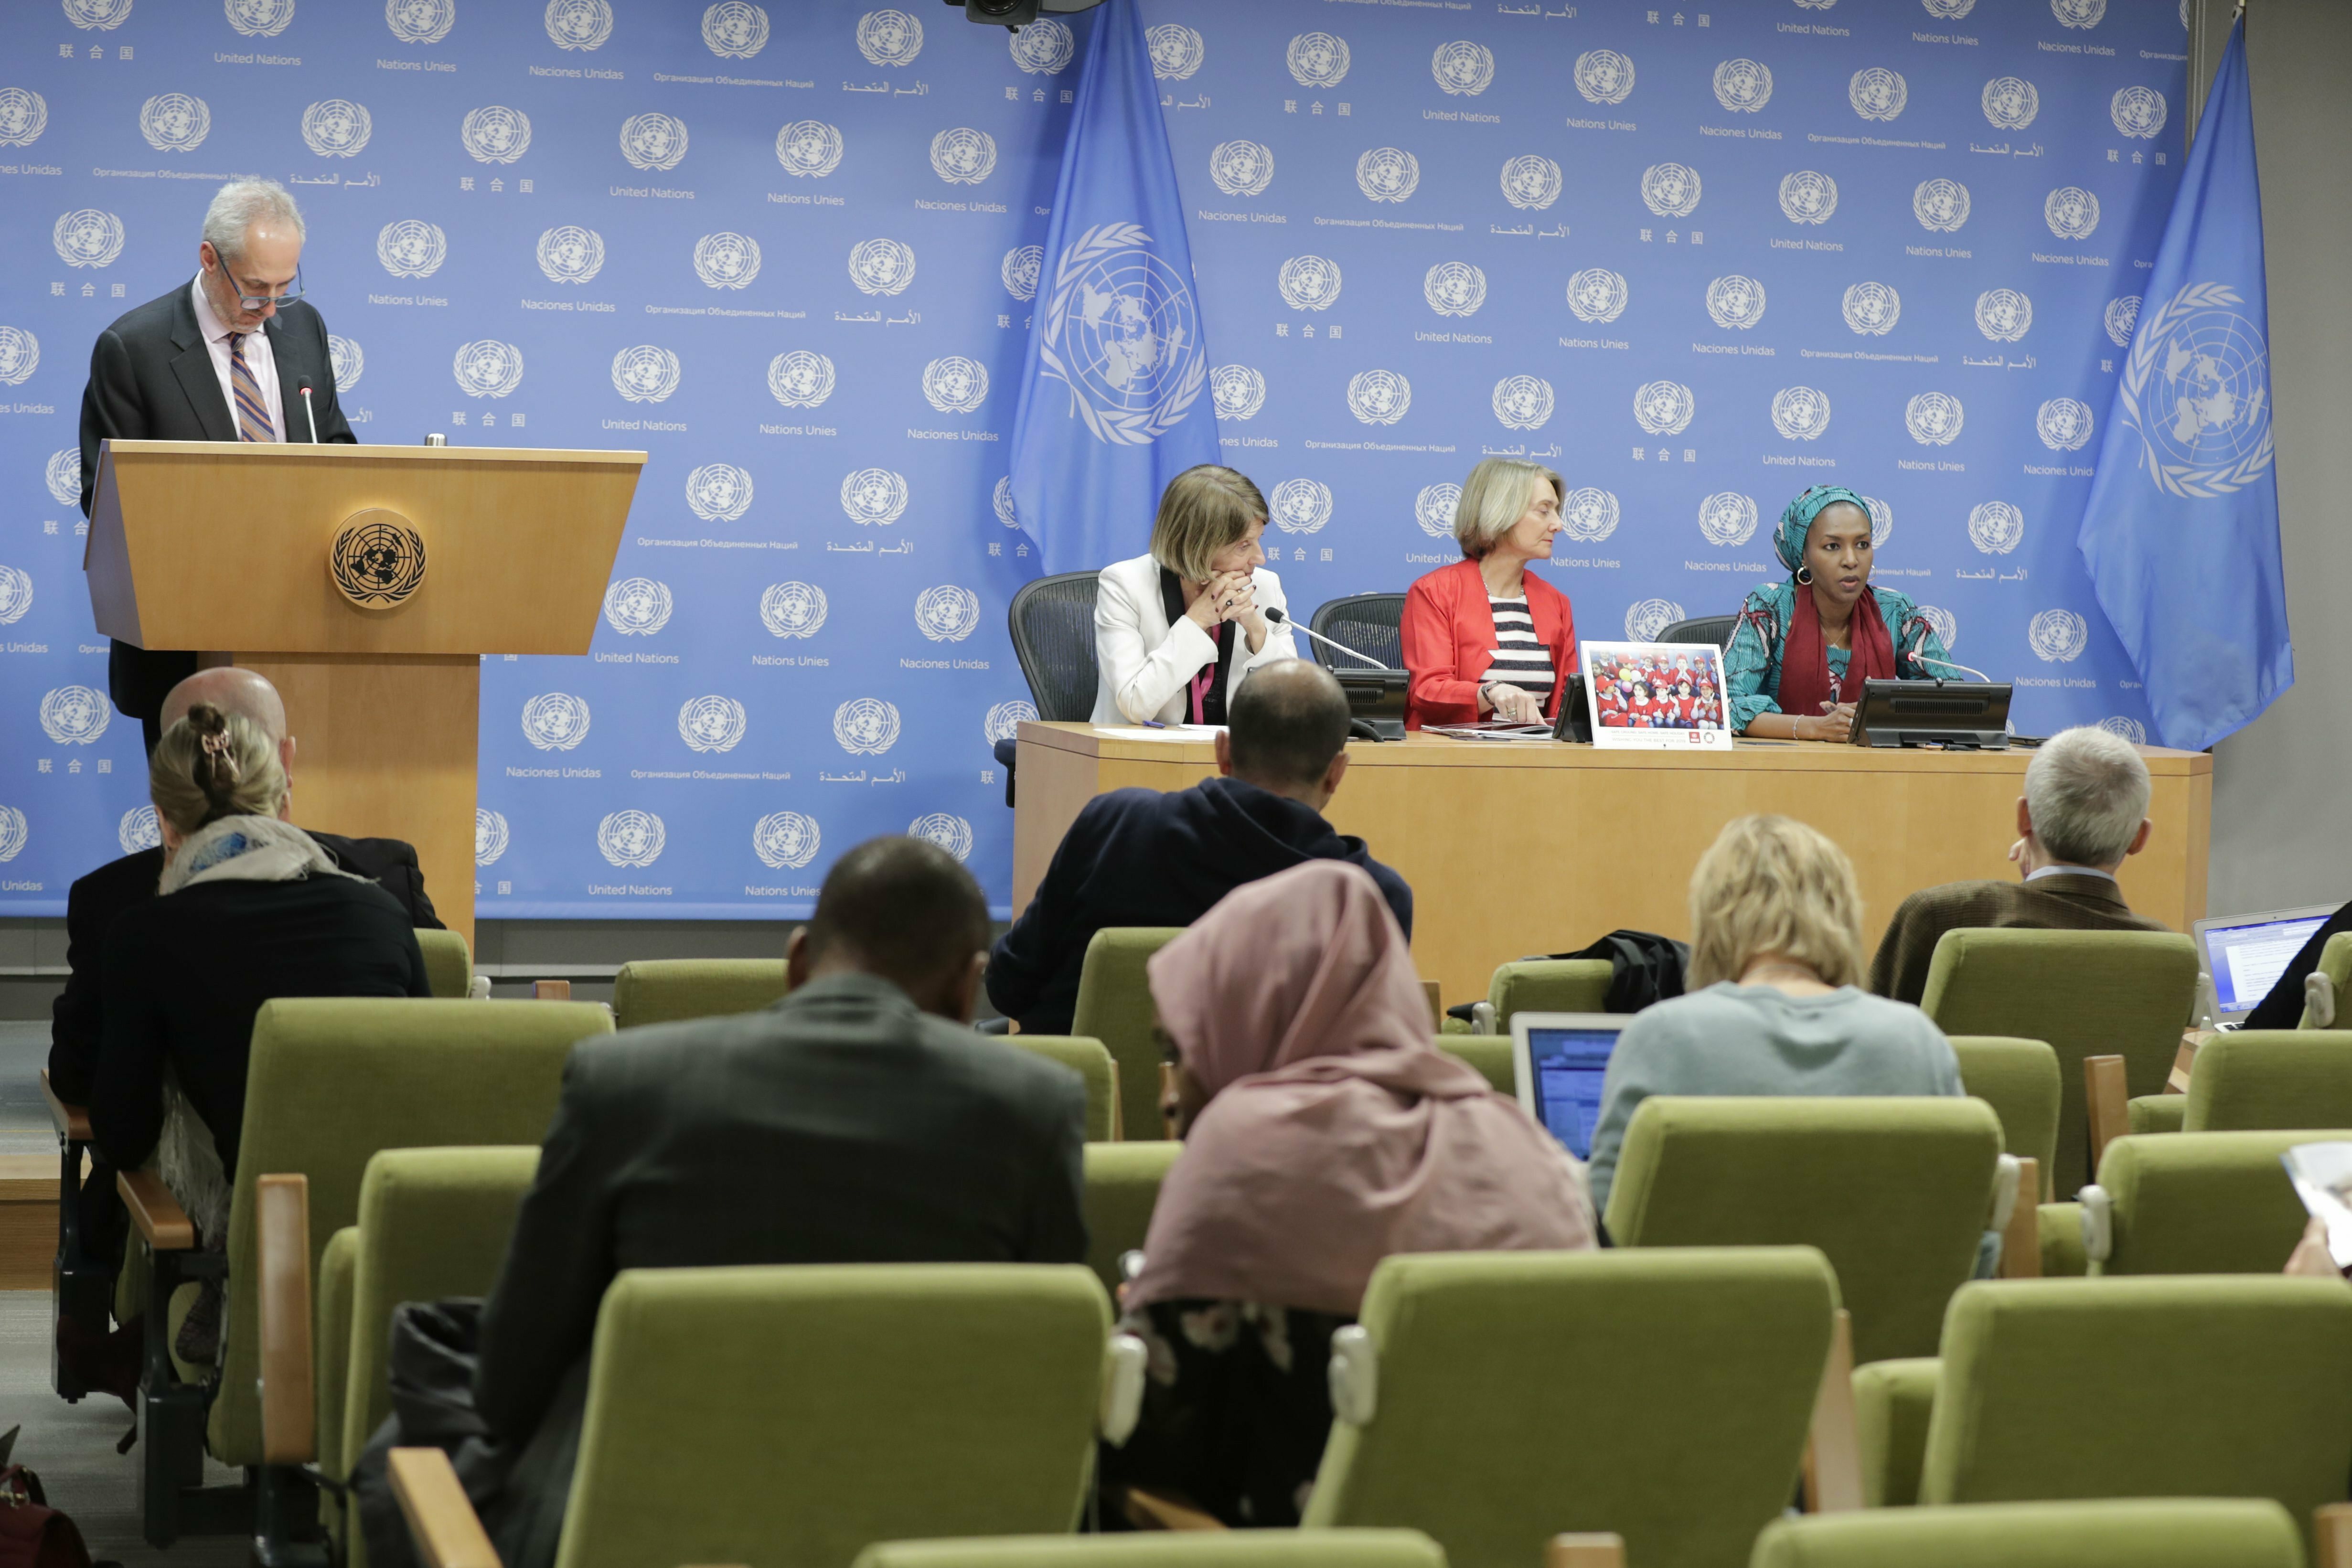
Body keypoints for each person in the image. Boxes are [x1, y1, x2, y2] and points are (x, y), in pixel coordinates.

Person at [363, 838, 1087, 1568]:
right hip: (927, 1535)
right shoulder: (1038, 1109)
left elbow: (510, 1384)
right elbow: (1046, 1384)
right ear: (969, 989)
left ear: (798, 960)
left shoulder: (626, 1082)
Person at [1103, 860, 1593, 1527]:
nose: (1170, 1091)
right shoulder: (1531, 1148)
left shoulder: (1242, 1147)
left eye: (1183, 1051)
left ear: (1256, 1015)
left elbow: (1150, 1450)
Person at [91, 703, 430, 1363]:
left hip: (254, 1253)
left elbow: (124, 1132)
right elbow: (425, 1080)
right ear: (283, 793)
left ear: (164, 817)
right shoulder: (381, 912)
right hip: (400, 1237)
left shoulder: (146, 936)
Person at [78, 178, 358, 749]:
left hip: (305, 628)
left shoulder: (304, 330)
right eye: (256, 288)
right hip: (185, 648)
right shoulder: (135, 348)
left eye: (286, 286)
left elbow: (335, 449)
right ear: (210, 259)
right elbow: (107, 502)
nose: (272, 307)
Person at [990, 661, 1411, 1036]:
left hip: (1081, 1110)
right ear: (1337, 773)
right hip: (1268, 1122)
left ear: (1222, 751)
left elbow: (1008, 985)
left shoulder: (1116, 823)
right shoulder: (1375, 897)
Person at [1584, 815, 1964, 1219]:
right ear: (1843, 914)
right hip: (1889, 1284)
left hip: (1709, 1284)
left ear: (1713, 919)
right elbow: (1971, 1234)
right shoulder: (1917, 1042)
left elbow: (1605, 1228)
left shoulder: (1662, 1038)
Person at [1869, 725, 2168, 1005]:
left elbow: (1873, 1044)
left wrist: (2035, 886)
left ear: (2025, 817)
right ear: (2139, 838)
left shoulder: (1940, 916)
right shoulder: (2166, 954)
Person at [1725, 486, 1949, 740]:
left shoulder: (1896, 610)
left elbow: (1954, 702)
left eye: (1862, 544)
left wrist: (1878, 716)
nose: (1852, 560)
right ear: (1804, 557)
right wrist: (1814, 728)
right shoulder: (1769, 608)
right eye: (1833, 546)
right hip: (1783, 769)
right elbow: (1726, 706)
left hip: (1878, 771)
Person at [1093, 464, 1298, 725]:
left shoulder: (1264, 588)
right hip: (1143, 756)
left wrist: (1256, 631)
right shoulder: (1126, 586)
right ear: (1197, 547)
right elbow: (1136, 705)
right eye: (1244, 545)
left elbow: (1293, 708)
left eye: (1259, 540)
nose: (1260, 558)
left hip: (1237, 760)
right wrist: (1196, 622)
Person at [1401, 457, 1577, 729]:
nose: (1558, 524)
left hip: (1537, 761)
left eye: (1556, 511)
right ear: (1501, 513)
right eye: (1544, 511)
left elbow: (1567, 701)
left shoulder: (1555, 602)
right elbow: (1427, 691)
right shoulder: (1435, 591)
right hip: (1453, 760)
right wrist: (1489, 692)